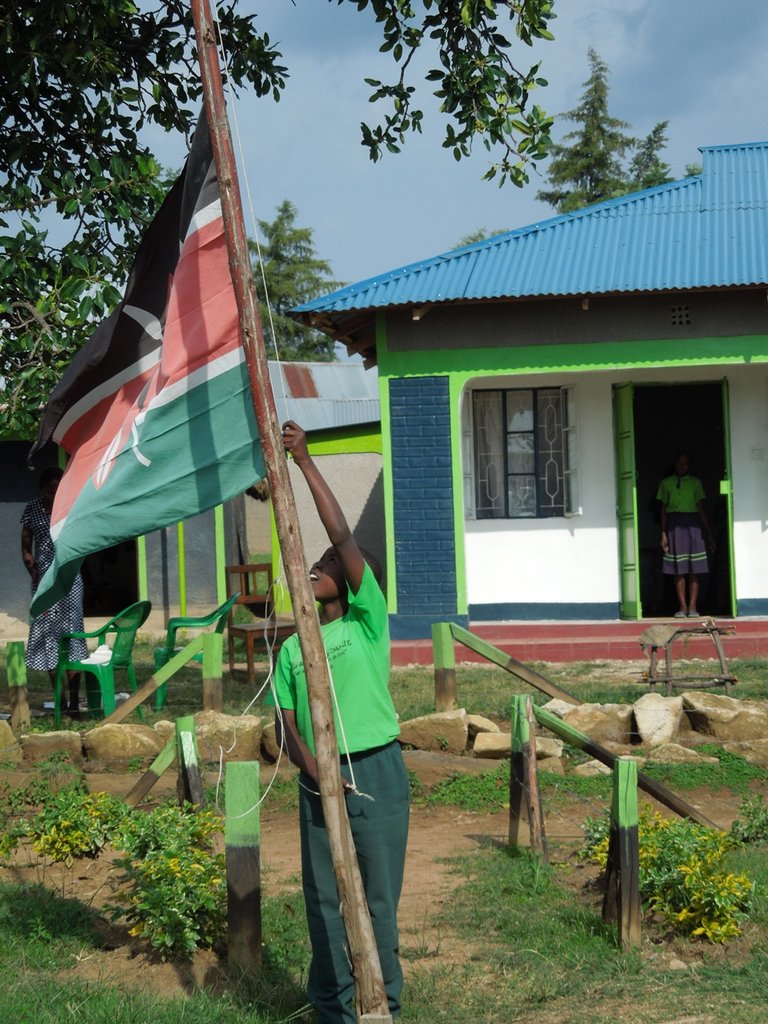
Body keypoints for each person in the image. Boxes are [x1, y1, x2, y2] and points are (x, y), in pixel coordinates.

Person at [269, 421, 409, 1023]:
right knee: (324, 902)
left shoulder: (365, 623)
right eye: (316, 561)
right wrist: (317, 772)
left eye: (331, 563)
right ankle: (333, 1009)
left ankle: (382, 1007)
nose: (318, 564)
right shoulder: (293, 648)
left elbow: (342, 534)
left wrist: (303, 461)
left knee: (376, 901)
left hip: (376, 771)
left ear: (354, 584)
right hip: (316, 780)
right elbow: (284, 724)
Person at [21, 466, 87, 714]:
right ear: (41, 491)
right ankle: (59, 700)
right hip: (44, 585)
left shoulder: (73, 509)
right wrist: (34, 571)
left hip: (70, 582)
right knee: (49, 637)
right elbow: (26, 548)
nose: (53, 496)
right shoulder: (32, 510)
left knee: (73, 637)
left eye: (57, 491)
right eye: (48, 491)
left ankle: (73, 703)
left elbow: (85, 542)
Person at [656, 451, 715, 617]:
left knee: (694, 568)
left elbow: (700, 508)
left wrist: (709, 532)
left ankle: (693, 607)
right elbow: (663, 512)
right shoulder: (666, 483)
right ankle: (682, 607)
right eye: (679, 463)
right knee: (678, 568)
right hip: (674, 526)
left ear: (689, 466)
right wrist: (663, 534)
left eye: (685, 463)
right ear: (674, 464)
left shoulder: (696, 483)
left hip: (694, 525)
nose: (682, 466)